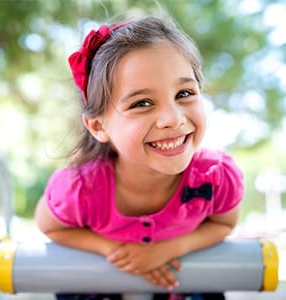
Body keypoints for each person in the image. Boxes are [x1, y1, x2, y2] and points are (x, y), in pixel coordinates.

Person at [35, 16, 243, 300]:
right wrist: (113, 251)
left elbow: (224, 224)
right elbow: (51, 226)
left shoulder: (216, 177)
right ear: (99, 126)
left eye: (184, 93)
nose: (173, 119)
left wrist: (170, 249)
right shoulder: (79, 187)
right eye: (142, 103)